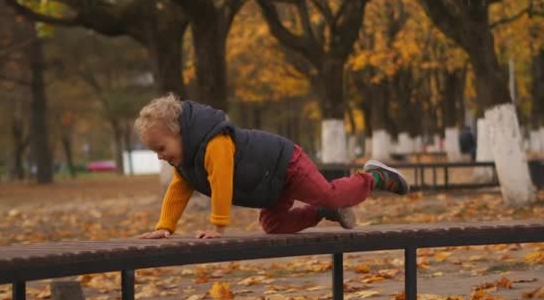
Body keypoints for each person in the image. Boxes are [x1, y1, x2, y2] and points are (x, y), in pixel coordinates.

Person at [135, 94, 408, 239]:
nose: (160, 156)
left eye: (161, 148)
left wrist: (218, 227)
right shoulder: (186, 163)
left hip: (285, 163)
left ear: (180, 133)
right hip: (269, 186)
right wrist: (165, 226)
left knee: (330, 193)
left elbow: (221, 181)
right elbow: (177, 192)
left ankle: (375, 177)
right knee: (273, 225)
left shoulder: (214, 144)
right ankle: (324, 211)